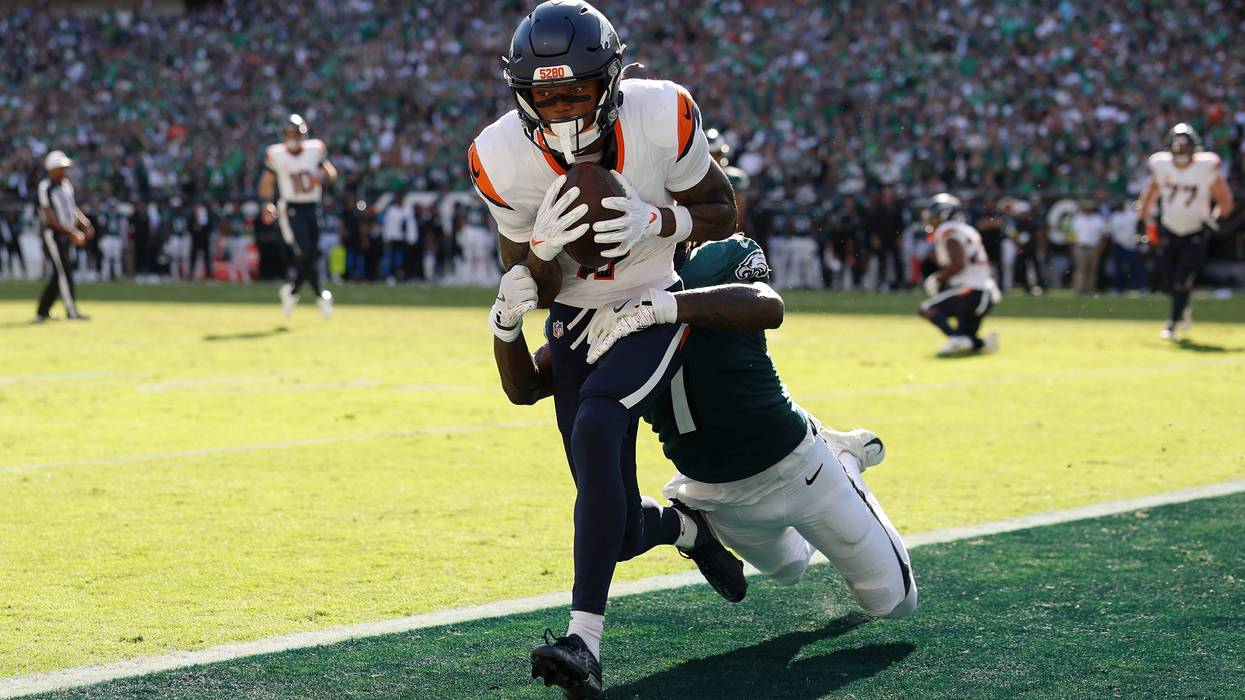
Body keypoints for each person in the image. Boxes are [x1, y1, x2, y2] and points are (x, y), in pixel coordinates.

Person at [496, 236, 917, 695]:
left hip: (800, 470)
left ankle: (844, 458)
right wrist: (504, 325)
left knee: (894, 603)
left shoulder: (714, 258)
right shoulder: (597, 296)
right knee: (789, 570)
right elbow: (529, 386)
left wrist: (663, 306)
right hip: (718, 497)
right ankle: (692, 528)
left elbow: (767, 306)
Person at [471, 2, 740, 695]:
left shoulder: (662, 113)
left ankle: (583, 642)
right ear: (520, 95)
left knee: (597, 419)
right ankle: (683, 528)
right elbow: (527, 282)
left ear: (611, 82)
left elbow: (722, 210)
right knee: (614, 526)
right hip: (574, 317)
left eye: (575, 93)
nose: (560, 112)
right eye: (544, 96)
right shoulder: (498, 155)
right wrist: (537, 252)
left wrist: (663, 219)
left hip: (653, 298)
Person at [1138, 123, 1235, 340]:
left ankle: (1173, 322)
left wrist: (1214, 217)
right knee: (1167, 282)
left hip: (1195, 231)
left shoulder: (1205, 167)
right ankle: (1182, 306)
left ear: (1194, 148)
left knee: (1181, 280)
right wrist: (1146, 222)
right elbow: (1150, 194)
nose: (1181, 150)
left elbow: (1225, 201)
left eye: (1185, 146)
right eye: (1178, 146)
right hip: (1169, 229)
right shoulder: (1161, 165)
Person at [259, 114, 337, 318]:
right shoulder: (276, 154)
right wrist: (268, 204)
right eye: (289, 132)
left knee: (312, 252)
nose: (291, 136)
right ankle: (321, 295)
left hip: (313, 207)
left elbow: (331, 174)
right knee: (306, 251)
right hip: (291, 208)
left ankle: (292, 291)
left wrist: (320, 177)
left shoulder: (315, 150)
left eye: (295, 132)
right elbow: (266, 183)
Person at [918, 194, 1000, 355]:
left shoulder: (949, 231)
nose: (931, 220)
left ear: (944, 214)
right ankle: (981, 343)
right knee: (967, 337)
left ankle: (955, 339)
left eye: (934, 216)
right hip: (985, 291)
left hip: (970, 293)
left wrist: (937, 279)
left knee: (926, 308)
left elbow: (958, 263)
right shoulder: (967, 230)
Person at [34, 150, 93, 322]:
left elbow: (73, 209)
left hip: (66, 234)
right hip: (53, 235)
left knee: (58, 274)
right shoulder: (45, 187)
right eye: (61, 168)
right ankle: (71, 310)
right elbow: (50, 217)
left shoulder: (66, 184)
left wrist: (84, 223)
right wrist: (72, 232)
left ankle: (42, 311)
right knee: (64, 272)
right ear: (52, 169)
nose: (64, 171)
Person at [1069, 199, 1107, 296]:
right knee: (1081, 269)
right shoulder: (1078, 218)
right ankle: (1079, 289)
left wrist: (1101, 247)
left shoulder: (1098, 219)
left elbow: (1102, 234)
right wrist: (1072, 246)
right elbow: (1072, 234)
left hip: (1093, 247)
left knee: (1092, 270)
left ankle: (1090, 289)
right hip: (1081, 247)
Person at [1108, 201, 1144, 294]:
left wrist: (1138, 242)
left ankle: (1140, 287)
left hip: (1132, 244)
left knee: (1136, 267)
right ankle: (1118, 288)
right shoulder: (1114, 216)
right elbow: (1111, 231)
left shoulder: (1132, 214)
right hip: (1119, 244)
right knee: (1118, 269)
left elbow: (1139, 225)